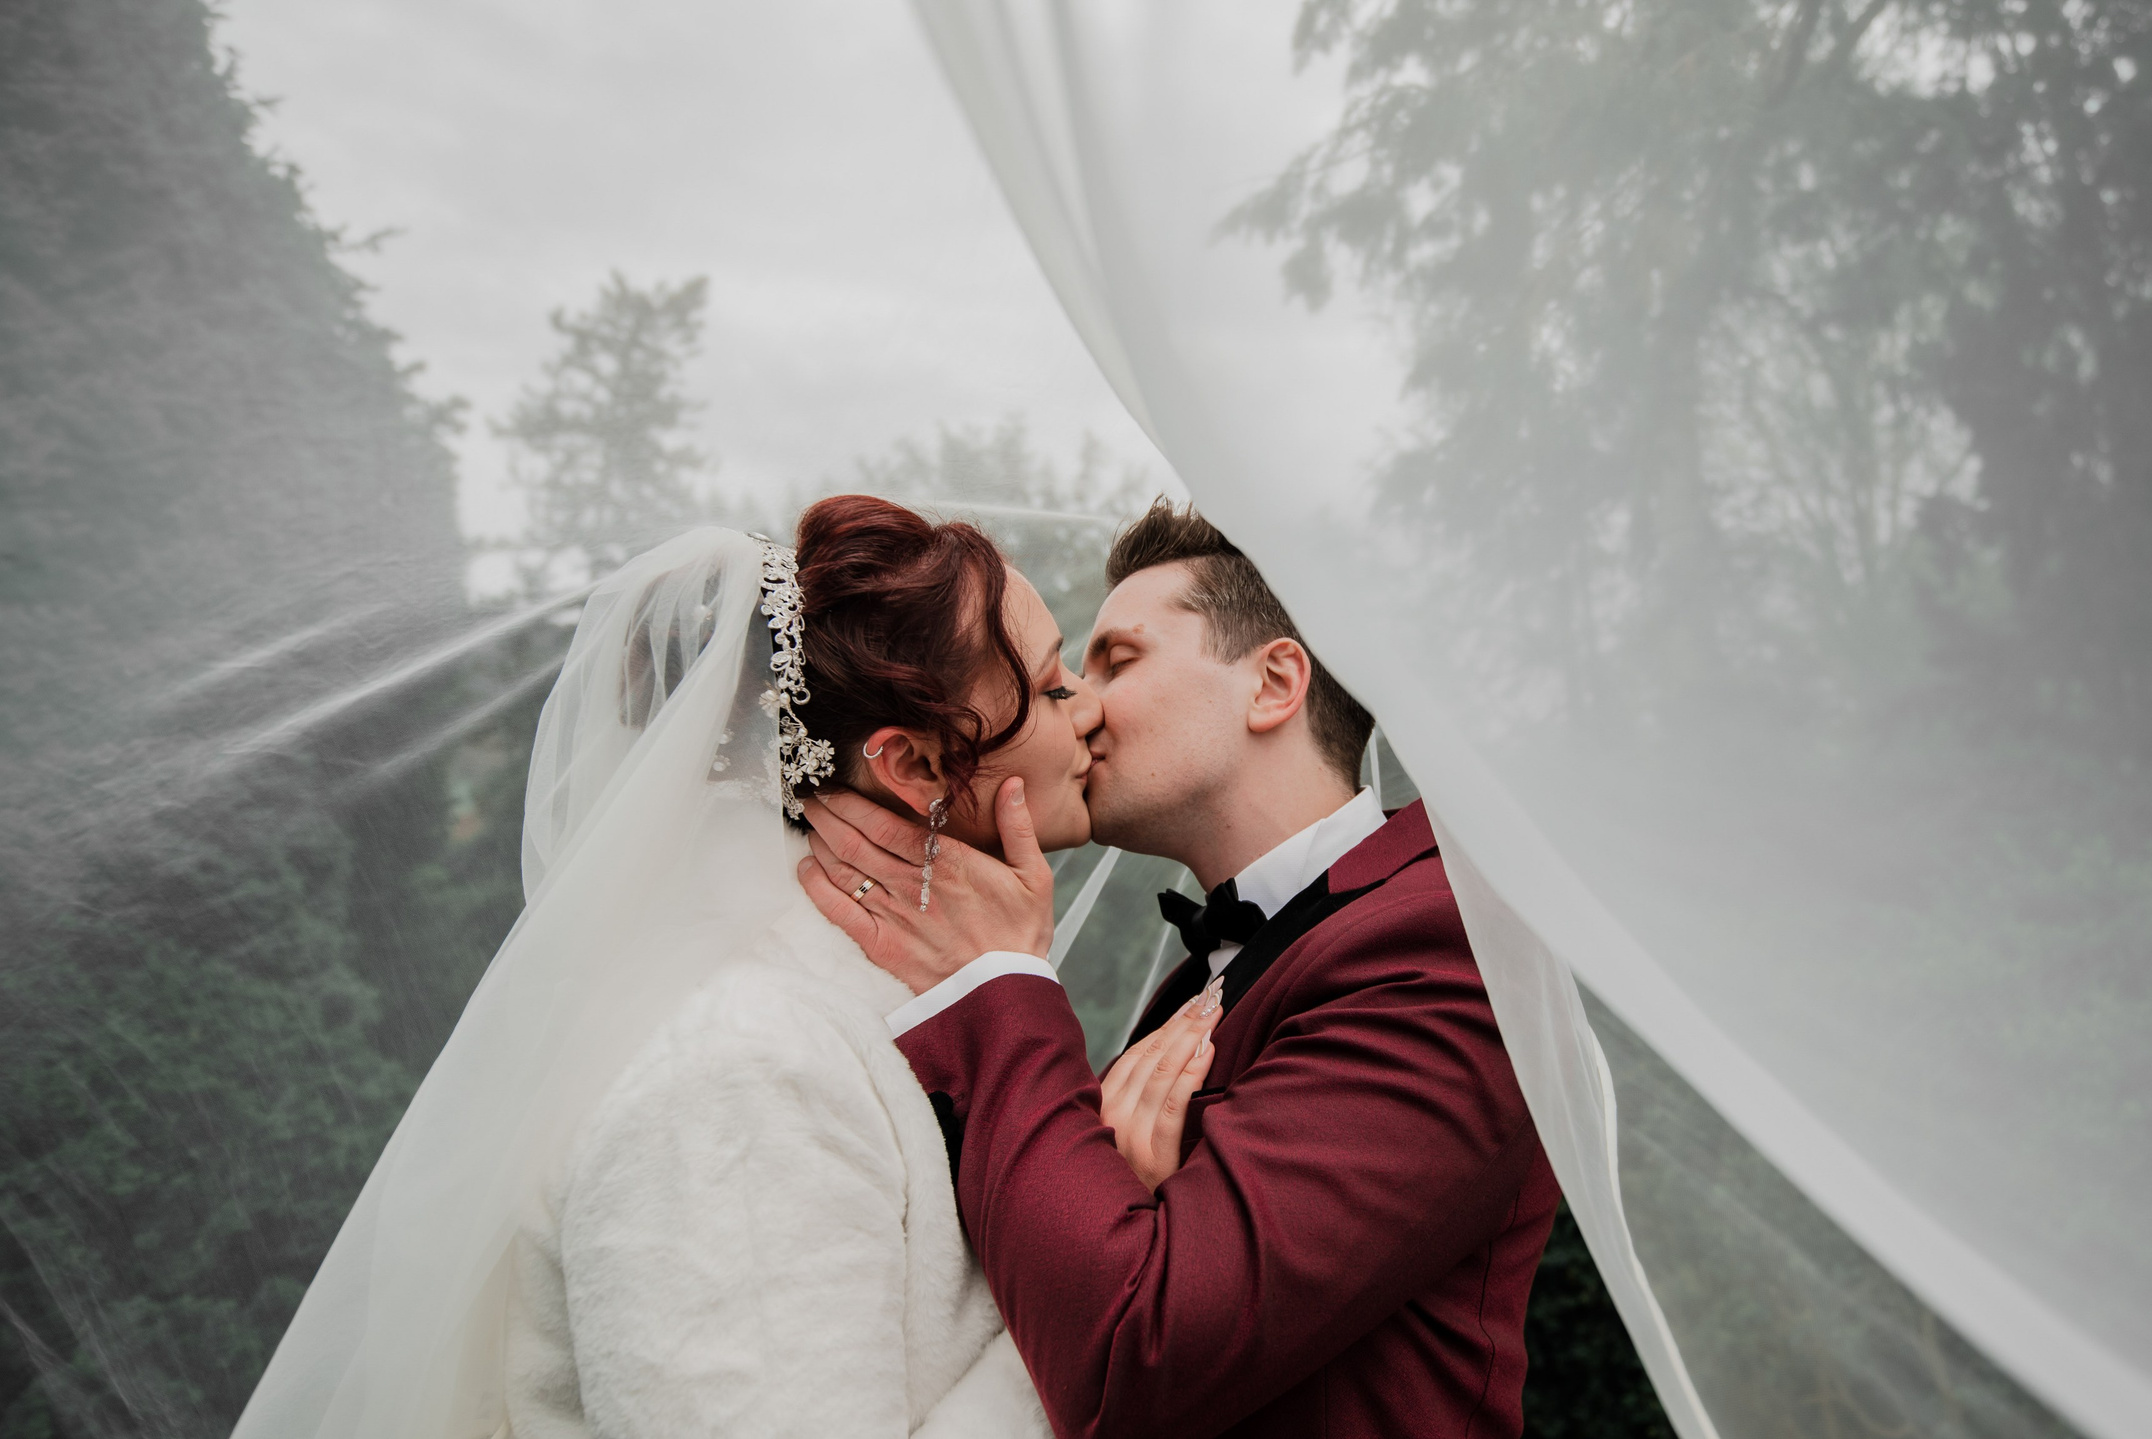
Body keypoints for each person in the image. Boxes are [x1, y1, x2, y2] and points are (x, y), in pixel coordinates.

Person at [235, 497, 1185, 1439]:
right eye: (1052, 687)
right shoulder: (742, 1074)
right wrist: (1074, 1321)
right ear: (915, 766)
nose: (1092, 707)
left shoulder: (881, 1008)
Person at [801, 501, 1561, 1439]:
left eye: (1118, 661)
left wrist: (999, 982)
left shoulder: (1447, 947)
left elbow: (1135, 1352)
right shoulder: (1200, 979)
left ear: (1273, 684)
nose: (1081, 704)